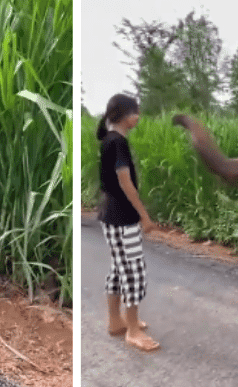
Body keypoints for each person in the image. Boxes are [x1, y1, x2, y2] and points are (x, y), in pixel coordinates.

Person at [96, 93, 160, 352]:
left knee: (119, 268)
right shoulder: (118, 142)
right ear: (126, 115)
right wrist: (144, 216)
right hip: (122, 218)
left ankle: (115, 321)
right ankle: (132, 330)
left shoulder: (109, 140)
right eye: (137, 112)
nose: (139, 117)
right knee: (134, 272)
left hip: (110, 216)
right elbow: (125, 182)